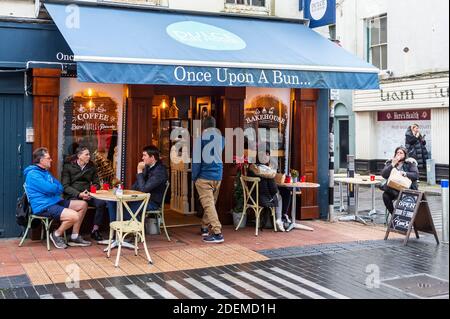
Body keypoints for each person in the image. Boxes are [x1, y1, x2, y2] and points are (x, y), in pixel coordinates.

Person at [24, 147, 91, 249]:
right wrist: (53, 188)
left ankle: (75, 236)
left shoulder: (45, 172)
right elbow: (50, 188)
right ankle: (56, 234)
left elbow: (60, 187)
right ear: (41, 160)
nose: (51, 160)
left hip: (54, 201)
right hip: (43, 206)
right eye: (48, 158)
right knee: (74, 216)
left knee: (83, 204)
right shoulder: (33, 175)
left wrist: (53, 188)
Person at [107, 145, 168, 222]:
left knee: (124, 212)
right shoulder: (148, 166)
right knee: (112, 201)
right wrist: (126, 194)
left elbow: (144, 189)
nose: (142, 158)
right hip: (141, 198)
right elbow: (138, 184)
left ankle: (135, 227)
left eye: (144, 155)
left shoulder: (160, 171)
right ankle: (116, 228)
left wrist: (139, 170)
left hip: (151, 202)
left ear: (152, 157)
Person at [61, 146, 107, 242]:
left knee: (101, 203)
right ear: (79, 156)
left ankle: (95, 230)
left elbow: (96, 183)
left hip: (88, 194)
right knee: (79, 205)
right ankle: (74, 234)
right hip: (74, 195)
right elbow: (65, 186)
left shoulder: (91, 166)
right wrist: (79, 194)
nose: (89, 156)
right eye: (86, 154)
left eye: (89, 154)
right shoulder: (68, 166)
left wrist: (89, 191)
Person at [192, 116, 225, 244]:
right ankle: (204, 227)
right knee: (211, 203)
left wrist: (194, 177)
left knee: (208, 204)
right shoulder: (222, 139)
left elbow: (196, 161)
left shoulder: (200, 139)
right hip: (218, 175)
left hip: (204, 176)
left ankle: (217, 233)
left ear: (203, 127)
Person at [381, 146, 419, 215]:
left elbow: (416, 175)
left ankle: (404, 216)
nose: (398, 154)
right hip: (394, 189)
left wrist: (405, 173)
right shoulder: (390, 162)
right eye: (397, 153)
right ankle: (394, 215)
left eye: (401, 153)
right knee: (385, 195)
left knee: (401, 195)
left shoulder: (409, 162)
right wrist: (392, 164)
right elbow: (384, 175)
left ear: (405, 155)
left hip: (407, 189)